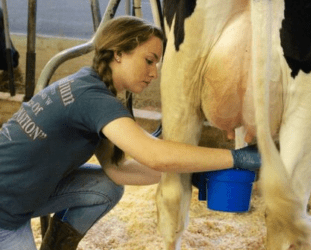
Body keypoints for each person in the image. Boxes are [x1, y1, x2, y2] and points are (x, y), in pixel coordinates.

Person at [0, 16, 259, 250]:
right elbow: (154, 154)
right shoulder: (92, 98)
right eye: (149, 61)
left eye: (157, 64)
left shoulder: (88, 86)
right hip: (4, 218)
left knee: (107, 187)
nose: (154, 73)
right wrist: (237, 158)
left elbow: (116, 170)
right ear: (119, 53)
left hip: (20, 202)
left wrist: (189, 172)